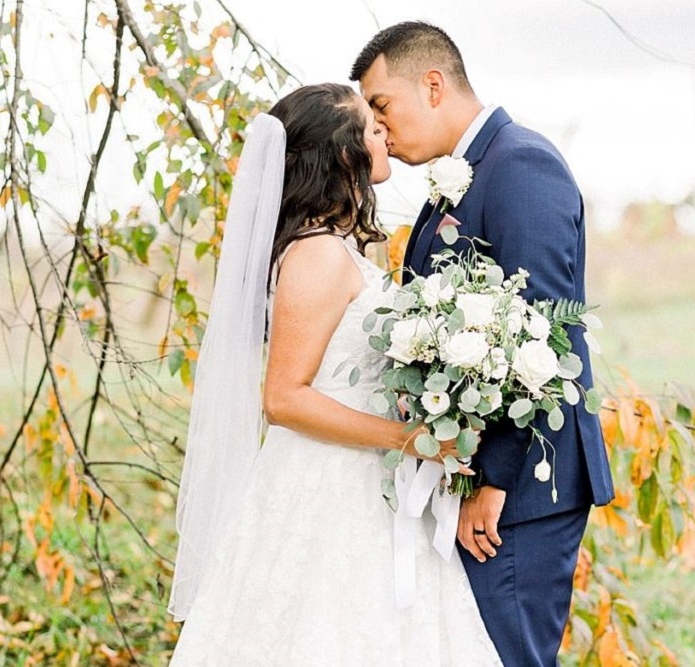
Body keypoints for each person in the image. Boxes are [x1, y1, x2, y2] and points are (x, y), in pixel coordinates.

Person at [167, 83, 501, 665]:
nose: (384, 134)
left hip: (363, 477)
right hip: (328, 486)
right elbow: (284, 399)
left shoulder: (338, 245)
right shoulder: (317, 253)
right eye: (371, 127)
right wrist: (413, 441)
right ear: (343, 153)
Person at [352, 22, 616, 666]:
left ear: (433, 85)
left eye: (382, 107)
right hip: (474, 480)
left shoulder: (520, 163)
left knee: (509, 656)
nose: (379, 130)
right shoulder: (463, 175)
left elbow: (544, 332)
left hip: (518, 488)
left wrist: (492, 482)